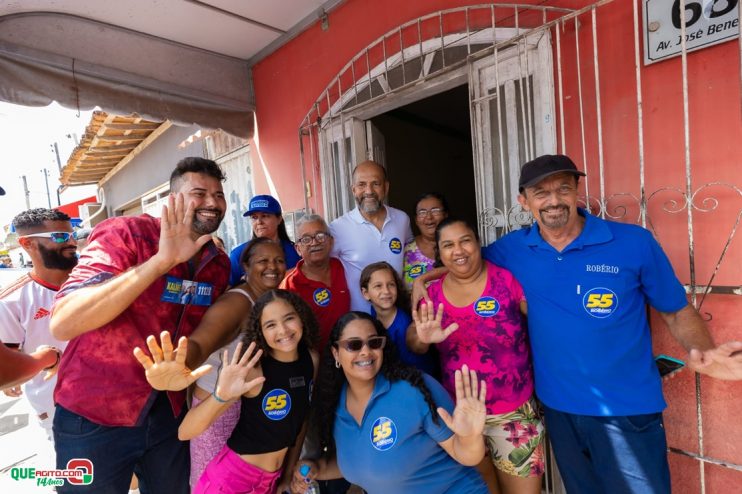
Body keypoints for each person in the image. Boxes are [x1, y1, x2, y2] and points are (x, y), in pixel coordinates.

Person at [414, 154, 742, 493]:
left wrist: (703, 350)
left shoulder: (633, 243)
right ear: (523, 201)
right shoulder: (513, 249)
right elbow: (466, 262)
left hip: (627, 410)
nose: (553, 200)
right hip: (560, 411)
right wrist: (426, 281)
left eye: (563, 189)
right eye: (541, 193)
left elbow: (675, 310)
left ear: (576, 192)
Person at [49, 157, 231, 494]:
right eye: (199, 193)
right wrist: (162, 262)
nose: (212, 202)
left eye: (219, 195)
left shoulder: (217, 263)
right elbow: (63, 322)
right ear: (173, 199)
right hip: (92, 413)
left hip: (167, 414)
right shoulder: (127, 234)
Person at [408, 218, 543, 494]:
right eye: (448, 245)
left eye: (465, 240)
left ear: (478, 243)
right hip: (462, 419)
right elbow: (414, 341)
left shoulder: (506, 280)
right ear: (439, 253)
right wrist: (422, 339)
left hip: (514, 414)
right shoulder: (431, 296)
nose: (458, 250)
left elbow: (545, 325)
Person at [137, 290, 319, 494]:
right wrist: (221, 395)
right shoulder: (252, 369)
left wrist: (285, 478)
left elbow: (300, 422)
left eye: (289, 318)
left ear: (301, 317)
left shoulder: (311, 360)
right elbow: (185, 431)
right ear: (260, 331)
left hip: (270, 481)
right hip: (231, 480)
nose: (283, 330)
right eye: (270, 325)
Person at [293, 311, 489, 494]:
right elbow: (363, 465)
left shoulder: (415, 389)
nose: (365, 352)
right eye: (354, 345)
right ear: (336, 353)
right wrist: (318, 468)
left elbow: (465, 455)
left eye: (374, 343)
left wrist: (470, 438)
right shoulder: (334, 403)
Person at [187, 238, 287, 489]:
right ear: (245, 266)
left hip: (243, 408)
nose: (272, 267)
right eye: (263, 261)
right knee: (214, 484)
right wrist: (178, 366)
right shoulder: (238, 302)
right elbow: (199, 344)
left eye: (279, 260)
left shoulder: (269, 301)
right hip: (218, 411)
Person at [0, 208, 77, 442]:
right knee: (84, 476)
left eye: (73, 235)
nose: (72, 242)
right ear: (27, 244)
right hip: (60, 410)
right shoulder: (10, 301)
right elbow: (9, 359)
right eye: (60, 237)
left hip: (116, 398)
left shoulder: (97, 281)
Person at [330, 161, 413, 312]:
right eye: (361, 184)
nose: (369, 191)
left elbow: (412, 257)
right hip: (361, 322)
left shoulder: (402, 219)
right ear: (353, 189)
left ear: (386, 187)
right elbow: (327, 271)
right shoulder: (337, 228)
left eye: (376, 183)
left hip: (398, 315)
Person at [280, 214, 350, 353]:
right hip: (315, 364)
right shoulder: (290, 286)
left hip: (350, 355)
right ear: (298, 249)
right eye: (306, 239)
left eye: (320, 236)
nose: (314, 242)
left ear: (331, 241)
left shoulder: (345, 268)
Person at [360, 261, 438, 377]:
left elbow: (409, 368)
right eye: (378, 286)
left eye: (391, 284)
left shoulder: (403, 325)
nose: (386, 291)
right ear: (366, 293)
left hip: (418, 378)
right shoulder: (373, 313)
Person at [229, 195, 300, 285]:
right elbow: (228, 291)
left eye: (265, 216)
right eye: (254, 217)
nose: (259, 222)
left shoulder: (296, 250)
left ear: (279, 219)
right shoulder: (238, 255)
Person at [403, 192, 449, 288]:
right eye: (422, 212)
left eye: (435, 211)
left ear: (445, 215)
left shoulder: (458, 247)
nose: (429, 217)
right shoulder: (405, 252)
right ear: (416, 220)